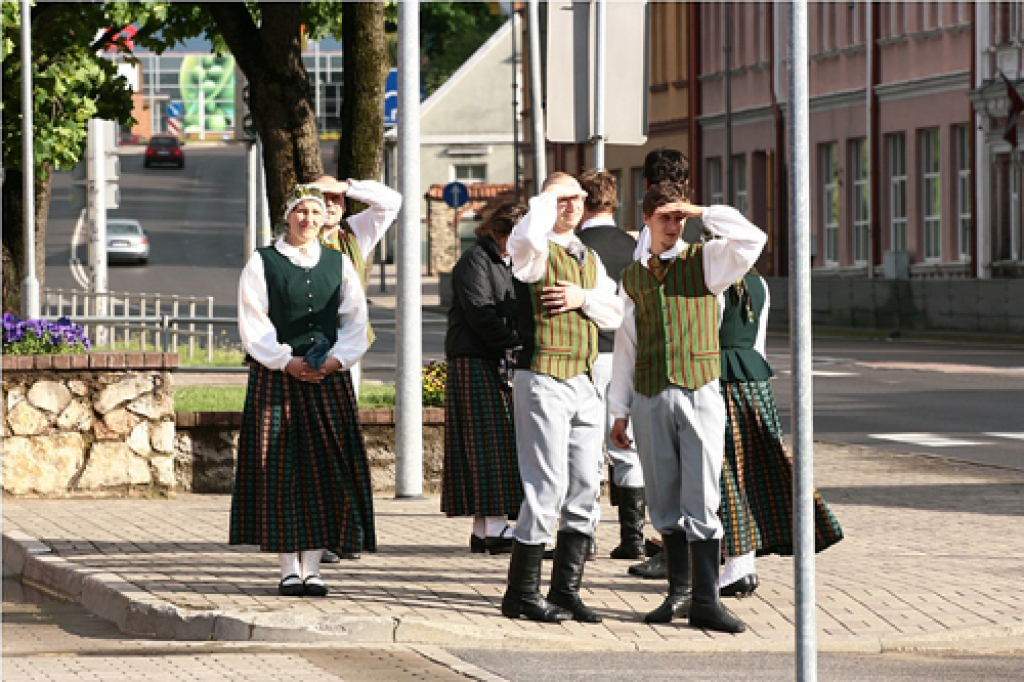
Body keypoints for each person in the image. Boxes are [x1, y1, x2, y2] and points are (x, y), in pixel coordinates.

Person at [609, 181, 766, 633]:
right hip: (650, 392)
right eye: (665, 217)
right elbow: (626, 347)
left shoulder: (709, 262)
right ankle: (677, 594)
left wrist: (700, 210)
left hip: (699, 391)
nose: (674, 226)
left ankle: (706, 599)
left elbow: (753, 239)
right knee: (662, 499)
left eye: (679, 218)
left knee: (701, 495)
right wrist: (619, 411)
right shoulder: (634, 276)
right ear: (646, 220)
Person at [231, 183, 376, 598]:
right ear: (287, 216)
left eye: (315, 212)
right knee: (280, 472)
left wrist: (336, 360)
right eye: (301, 212)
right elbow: (253, 322)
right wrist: (285, 361)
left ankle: (313, 568)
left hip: (327, 377)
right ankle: (286, 569)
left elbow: (354, 319)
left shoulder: (338, 263)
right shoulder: (262, 262)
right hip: (277, 377)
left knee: (324, 471)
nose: (308, 220)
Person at [501, 172, 624, 624]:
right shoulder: (532, 250)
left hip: (585, 380)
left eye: (576, 198)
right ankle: (521, 593)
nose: (570, 205)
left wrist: (581, 297)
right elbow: (527, 239)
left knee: (587, 486)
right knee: (545, 485)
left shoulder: (589, 257)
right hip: (544, 376)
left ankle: (566, 589)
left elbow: (615, 312)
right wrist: (545, 200)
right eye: (560, 199)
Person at [716, 270, 844, 596]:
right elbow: (758, 339)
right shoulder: (760, 283)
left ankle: (736, 565)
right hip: (754, 379)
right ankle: (737, 562)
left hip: (719, 378)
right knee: (754, 471)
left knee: (724, 473)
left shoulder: (711, 279)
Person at [311, 174, 401, 565]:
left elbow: (391, 202)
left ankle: (344, 530)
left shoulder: (354, 235)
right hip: (306, 353)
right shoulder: (296, 243)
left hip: (346, 351)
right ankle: (317, 531)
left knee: (343, 436)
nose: (331, 206)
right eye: (322, 199)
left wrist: (347, 186)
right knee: (313, 441)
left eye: (336, 200)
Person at [442, 202, 527, 555]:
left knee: (490, 445)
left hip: (493, 359)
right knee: (488, 444)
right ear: (499, 232)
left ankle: (483, 529)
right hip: (475, 359)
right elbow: (481, 314)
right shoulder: (476, 261)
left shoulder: (510, 262)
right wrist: (519, 341)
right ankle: (494, 527)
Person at [575, 169, 645, 561]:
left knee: (588, 448)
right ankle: (633, 538)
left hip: (590, 351)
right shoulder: (635, 246)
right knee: (626, 445)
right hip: (629, 353)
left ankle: (583, 538)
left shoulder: (576, 246)